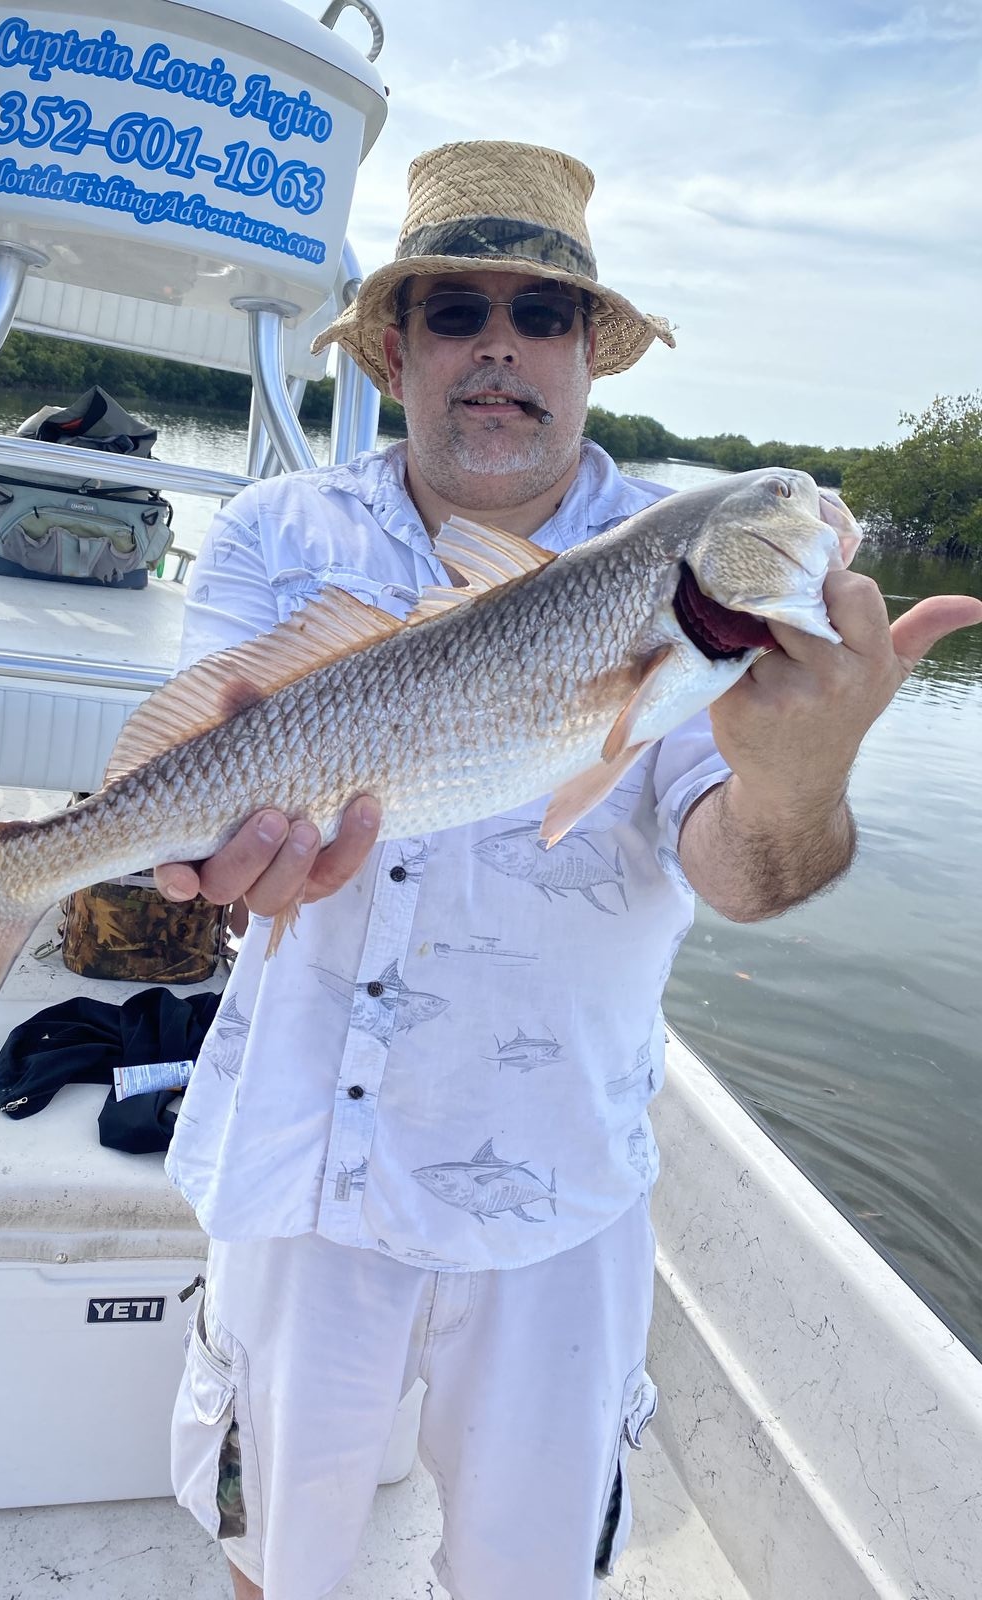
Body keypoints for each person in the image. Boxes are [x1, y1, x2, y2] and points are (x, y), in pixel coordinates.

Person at [154, 142, 982, 1600]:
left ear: (587, 353)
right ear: (396, 347)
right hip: (290, 1168)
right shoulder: (275, 535)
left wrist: (800, 773)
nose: (499, 347)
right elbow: (193, 798)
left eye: (542, 316)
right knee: (273, 1557)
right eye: (457, 308)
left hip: (555, 1192)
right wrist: (199, 859)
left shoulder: (670, 573)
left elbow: (740, 870)